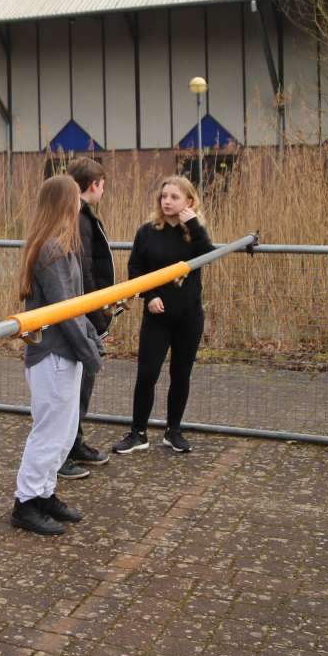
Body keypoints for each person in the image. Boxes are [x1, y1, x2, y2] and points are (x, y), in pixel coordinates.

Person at [10, 175, 101, 535]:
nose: (81, 202)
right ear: (67, 203)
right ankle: (26, 502)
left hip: (66, 355)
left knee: (63, 432)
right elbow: (65, 310)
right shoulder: (53, 250)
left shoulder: (62, 245)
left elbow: (77, 305)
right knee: (50, 432)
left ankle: (44, 493)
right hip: (53, 356)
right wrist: (90, 351)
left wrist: (90, 342)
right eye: (77, 198)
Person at [112, 175, 214, 456]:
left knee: (181, 373)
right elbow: (136, 268)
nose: (167, 201)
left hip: (189, 315)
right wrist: (150, 295)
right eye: (164, 196)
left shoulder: (195, 233)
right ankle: (138, 433)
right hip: (157, 314)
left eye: (174, 197)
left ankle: (174, 431)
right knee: (147, 373)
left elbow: (207, 254)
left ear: (189, 202)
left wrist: (192, 223)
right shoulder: (147, 232)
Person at [59, 157, 116, 478]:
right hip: (84, 315)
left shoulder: (80, 216)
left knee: (81, 384)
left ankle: (74, 441)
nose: (103, 191)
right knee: (73, 387)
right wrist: (98, 315)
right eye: (103, 185)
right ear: (94, 185)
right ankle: (64, 449)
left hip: (88, 312)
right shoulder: (77, 219)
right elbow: (84, 272)